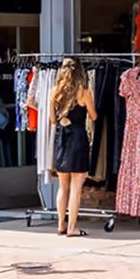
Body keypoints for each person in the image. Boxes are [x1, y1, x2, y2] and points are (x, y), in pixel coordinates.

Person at [50, 59, 95, 236]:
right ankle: (72, 228)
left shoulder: (55, 92)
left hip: (61, 137)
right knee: (77, 187)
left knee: (63, 186)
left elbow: (52, 120)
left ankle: (61, 225)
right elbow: (94, 115)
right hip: (78, 138)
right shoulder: (83, 93)